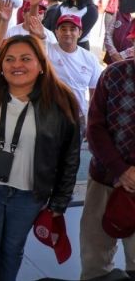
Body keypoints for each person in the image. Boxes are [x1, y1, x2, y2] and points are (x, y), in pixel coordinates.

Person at [0, 35, 81, 281]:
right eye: (9, 59)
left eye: (25, 59)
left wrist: (59, 203)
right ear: (0, 65)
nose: (16, 64)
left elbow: (70, 159)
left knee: (12, 250)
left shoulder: (63, 102)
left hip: (30, 195)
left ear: (41, 64)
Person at [81, 56, 135, 278]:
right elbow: (94, 128)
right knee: (95, 259)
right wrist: (121, 170)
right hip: (103, 181)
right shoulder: (113, 74)